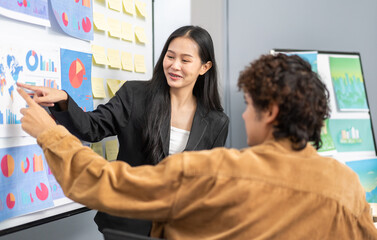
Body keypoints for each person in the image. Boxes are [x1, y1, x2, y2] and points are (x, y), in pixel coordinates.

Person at [18, 53, 377, 239]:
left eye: (250, 106)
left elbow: (101, 181)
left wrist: (48, 133)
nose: (244, 116)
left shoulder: (213, 172)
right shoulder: (345, 186)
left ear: (271, 113)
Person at [17, 25, 229, 236]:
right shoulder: (135, 95)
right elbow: (92, 128)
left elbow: (207, 184)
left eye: (185, 60)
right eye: (170, 56)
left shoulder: (217, 122)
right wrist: (64, 99)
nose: (174, 66)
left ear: (204, 67)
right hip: (127, 225)